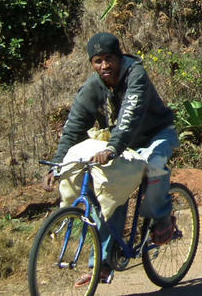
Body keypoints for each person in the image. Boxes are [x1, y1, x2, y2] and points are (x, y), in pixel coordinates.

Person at [43, 32, 178, 285]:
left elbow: (129, 116)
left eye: (108, 59)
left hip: (155, 136)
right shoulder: (93, 87)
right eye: (97, 61)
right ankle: (103, 264)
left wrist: (113, 148)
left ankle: (162, 220)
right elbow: (73, 127)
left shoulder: (135, 75)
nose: (104, 66)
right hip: (121, 145)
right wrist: (58, 164)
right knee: (108, 191)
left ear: (118, 57)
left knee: (152, 165)